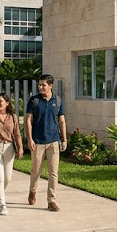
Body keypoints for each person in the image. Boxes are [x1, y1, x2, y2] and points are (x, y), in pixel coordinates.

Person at [25, 74, 67, 212]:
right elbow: (28, 121)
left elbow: (62, 121)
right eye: (40, 84)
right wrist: (29, 139)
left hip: (53, 141)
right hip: (37, 142)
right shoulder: (34, 100)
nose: (40, 87)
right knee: (36, 171)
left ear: (50, 86)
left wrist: (64, 139)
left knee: (53, 173)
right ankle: (33, 190)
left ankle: (52, 201)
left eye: (43, 85)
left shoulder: (58, 101)